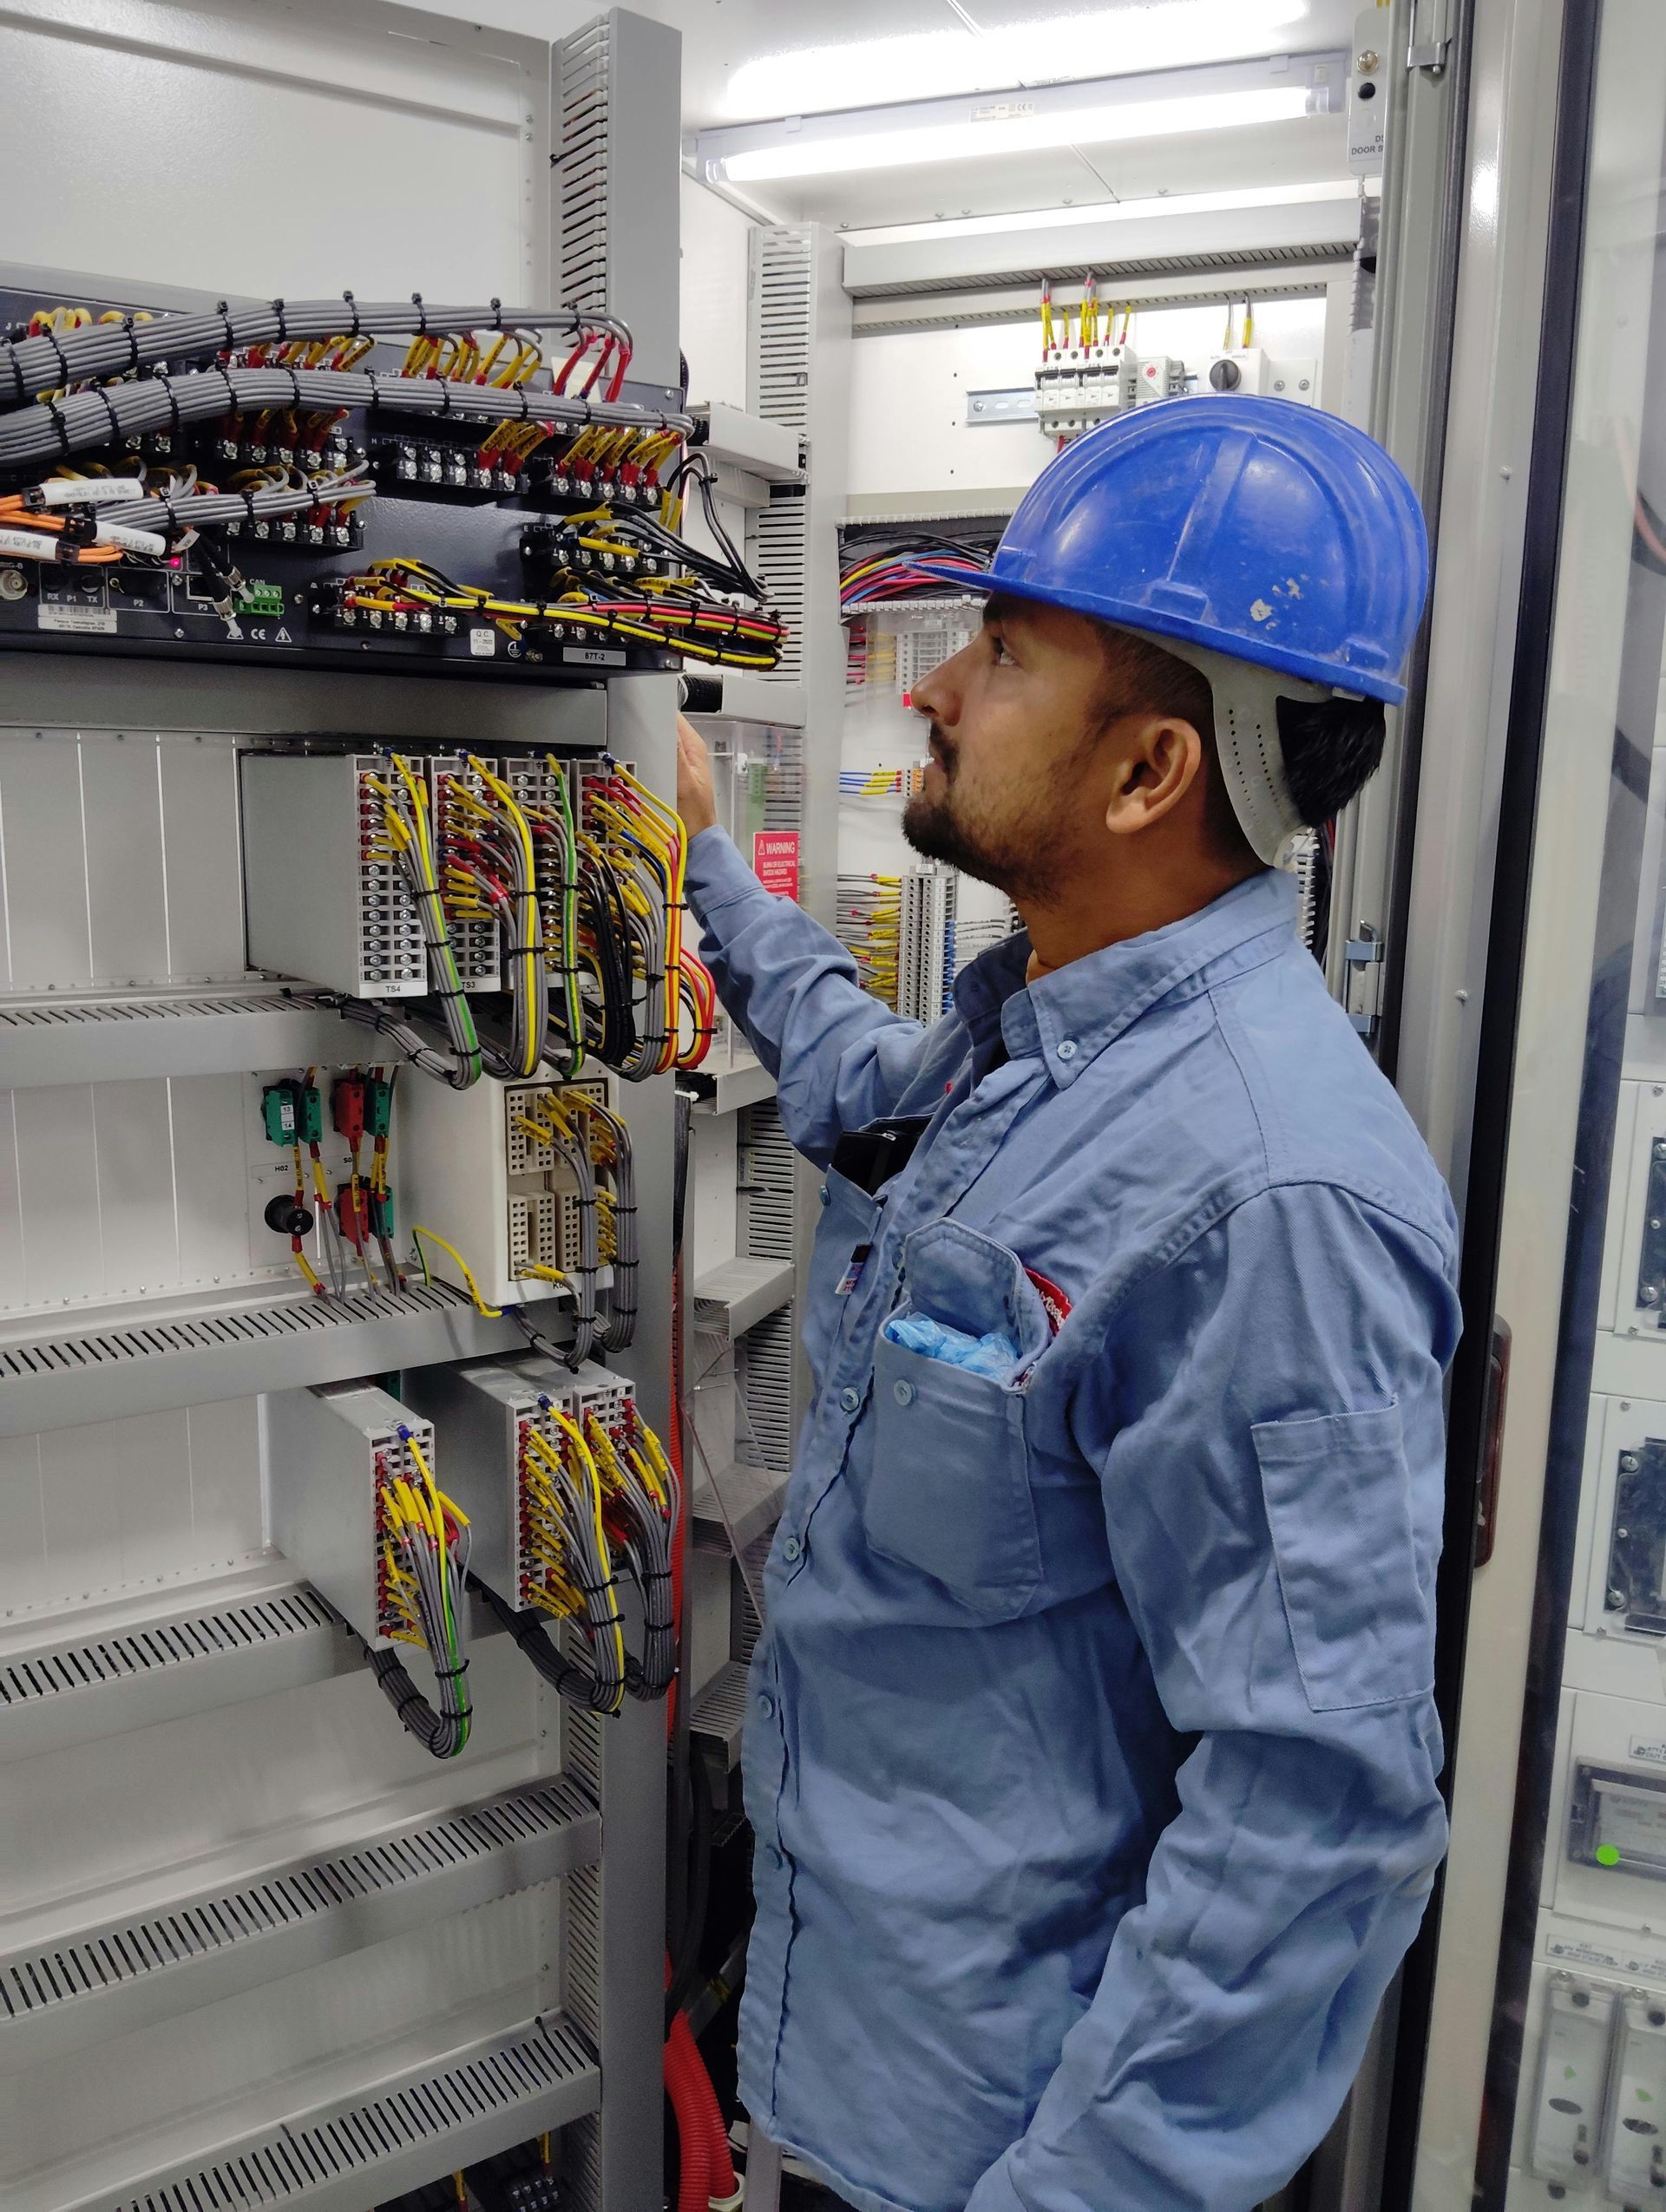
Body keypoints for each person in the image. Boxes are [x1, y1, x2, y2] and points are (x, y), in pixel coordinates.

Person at [675, 395, 1459, 2212]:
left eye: (1005, 653)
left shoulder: (1269, 1196)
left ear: (1146, 775)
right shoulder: (1038, 1031)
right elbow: (866, 1086)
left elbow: (1318, 1820)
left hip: (999, 2153)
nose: (937, 690)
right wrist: (699, 864)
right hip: (849, 2060)